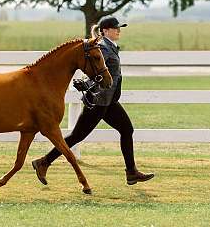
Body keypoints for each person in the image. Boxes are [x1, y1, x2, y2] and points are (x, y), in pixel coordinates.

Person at [32, 16, 155, 186]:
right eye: (115, 28)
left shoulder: (109, 46)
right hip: (98, 101)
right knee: (77, 136)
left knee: (126, 129)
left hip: (108, 101)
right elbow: (94, 70)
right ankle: (43, 162)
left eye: (119, 28)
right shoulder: (103, 47)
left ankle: (131, 172)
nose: (118, 30)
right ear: (105, 31)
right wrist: (86, 83)